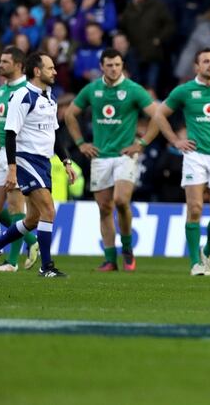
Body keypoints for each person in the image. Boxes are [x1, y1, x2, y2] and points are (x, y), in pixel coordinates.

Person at [0, 51, 76, 277]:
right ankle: (47, 267)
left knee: (32, 219)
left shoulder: (49, 97)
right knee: (48, 210)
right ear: (36, 71)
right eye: (50, 68)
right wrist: (12, 168)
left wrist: (66, 161)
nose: (54, 72)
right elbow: (10, 133)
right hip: (26, 160)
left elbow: (55, 133)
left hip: (44, 161)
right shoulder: (22, 96)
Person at [65, 48, 159, 272]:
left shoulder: (133, 90)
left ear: (122, 64)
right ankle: (110, 259)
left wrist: (142, 143)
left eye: (117, 64)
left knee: (120, 201)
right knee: (104, 208)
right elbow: (69, 114)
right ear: (101, 67)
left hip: (125, 156)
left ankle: (127, 248)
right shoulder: (93, 89)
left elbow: (157, 115)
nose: (114, 69)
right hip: (100, 157)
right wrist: (81, 144)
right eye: (109, 65)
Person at [154, 48, 210, 276]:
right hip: (195, 156)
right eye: (205, 61)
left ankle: (207, 250)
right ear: (196, 66)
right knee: (195, 208)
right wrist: (176, 140)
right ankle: (195, 262)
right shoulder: (185, 90)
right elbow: (159, 114)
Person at [0, 46, 40, 271]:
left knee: (16, 205)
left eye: (5, 62)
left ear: (18, 65)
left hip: (18, 153)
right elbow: (0, 121)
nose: (0, 65)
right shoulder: (2, 89)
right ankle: (30, 240)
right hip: (1, 153)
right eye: (0, 61)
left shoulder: (27, 89)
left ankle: (11, 262)